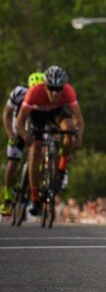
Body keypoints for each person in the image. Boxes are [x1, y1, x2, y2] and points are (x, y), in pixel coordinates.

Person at [15, 66, 83, 216]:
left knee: (69, 129)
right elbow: (20, 122)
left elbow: (79, 119)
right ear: (45, 87)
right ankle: (34, 198)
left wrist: (78, 136)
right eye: (51, 89)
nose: (55, 93)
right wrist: (25, 135)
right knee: (36, 150)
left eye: (58, 89)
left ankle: (61, 170)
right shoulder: (34, 93)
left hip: (57, 112)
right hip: (37, 115)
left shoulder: (68, 91)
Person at [1, 72, 44, 215]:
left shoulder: (46, 95)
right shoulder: (19, 92)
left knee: (39, 154)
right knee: (13, 162)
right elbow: (7, 114)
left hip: (34, 125)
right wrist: (11, 134)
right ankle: (7, 197)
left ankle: (36, 187)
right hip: (18, 125)